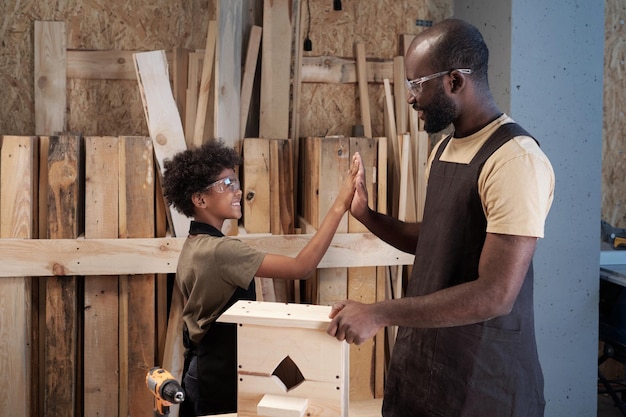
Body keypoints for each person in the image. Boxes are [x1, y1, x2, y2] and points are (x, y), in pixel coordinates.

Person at [326, 18, 555, 417]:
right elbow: (436, 241)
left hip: (483, 379)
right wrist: (367, 215)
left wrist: (379, 312)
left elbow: (495, 294)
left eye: (418, 84)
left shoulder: (515, 160)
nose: (411, 98)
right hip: (426, 364)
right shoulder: (445, 149)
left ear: (454, 81)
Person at [162, 139, 358, 416]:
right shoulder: (221, 251)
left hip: (201, 369)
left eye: (236, 182)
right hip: (219, 375)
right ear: (200, 199)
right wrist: (340, 205)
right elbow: (301, 268)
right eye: (226, 184)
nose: (238, 190)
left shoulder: (194, 244)